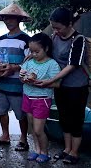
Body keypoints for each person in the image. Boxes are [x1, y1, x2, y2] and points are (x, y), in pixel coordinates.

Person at [35, 7, 89, 164]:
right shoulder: (54, 37)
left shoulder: (79, 40)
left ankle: (74, 152)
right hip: (60, 86)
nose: (56, 31)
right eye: (54, 27)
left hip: (77, 87)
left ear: (69, 24)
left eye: (59, 28)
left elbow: (72, 65)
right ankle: (66, 149)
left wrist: (51, 80)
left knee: (76, 119)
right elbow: (47, 55)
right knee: (64, 118)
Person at [0, 3, 30, 151]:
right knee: (1, 111)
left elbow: (29, 63)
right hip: (1, 83)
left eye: (11, 19)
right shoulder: (0, 39)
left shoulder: (26, 40)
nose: (8, 21)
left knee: (21, 114)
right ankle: (5, 136)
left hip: (17, 84)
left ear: (18, 20)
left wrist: (14, 67)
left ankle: (24, 139)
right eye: (6, 18)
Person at [19, 33, 61, 163]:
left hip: (41, 100)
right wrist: (23, 78)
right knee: (32, 127)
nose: (34, 54)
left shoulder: (52, 64)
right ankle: (37, 150)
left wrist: (42, 83)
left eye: (37, 51)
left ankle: (45, 152)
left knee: (39, 129)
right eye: (31, 51)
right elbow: (21, 78)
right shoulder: (29, 62)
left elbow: (57, 84)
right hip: (27, 97)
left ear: (46, 49)